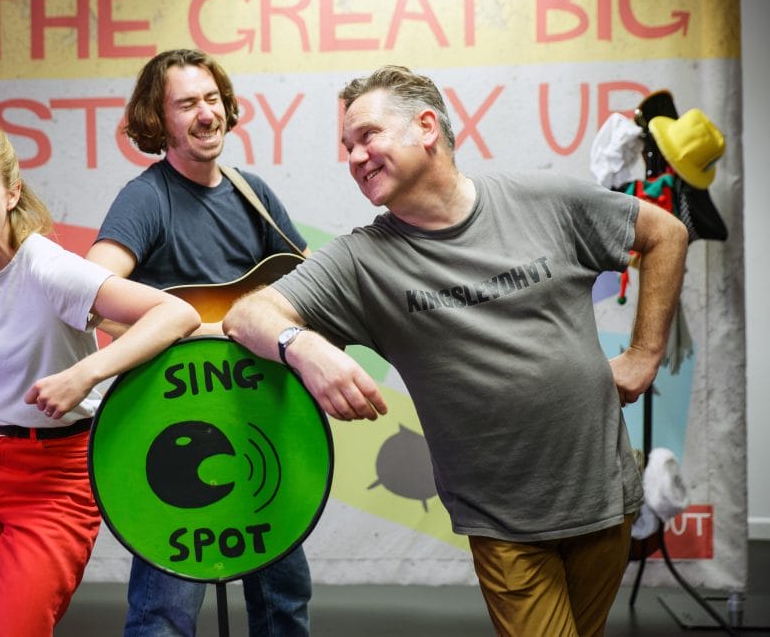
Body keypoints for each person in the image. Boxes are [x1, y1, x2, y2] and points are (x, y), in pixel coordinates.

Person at [223, 66, 689, 636]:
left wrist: (644, 353)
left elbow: (666, 233)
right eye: (346, 146)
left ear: (425, 127)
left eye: (366, 135)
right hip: (505, 523)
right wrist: (303, 348)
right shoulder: (364, 260)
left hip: (605, 496)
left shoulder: (544, 199)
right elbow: (248, 314)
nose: (353, 156)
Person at [0, 120, 200, 637]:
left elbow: (176, 315)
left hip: (56, 477)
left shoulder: (48, 269)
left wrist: (84, 374)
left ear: (12, 192)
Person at [86, 48, 313, 637]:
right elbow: (91, 293)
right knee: (166, 608)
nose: (206, 113)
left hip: (258, 420)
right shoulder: (147, 198)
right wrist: (192, 334)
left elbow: (314, 282)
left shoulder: (252, 191)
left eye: (212, 99)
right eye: (187, 103)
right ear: (158, 121)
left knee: (284, 598)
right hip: (175, 431)